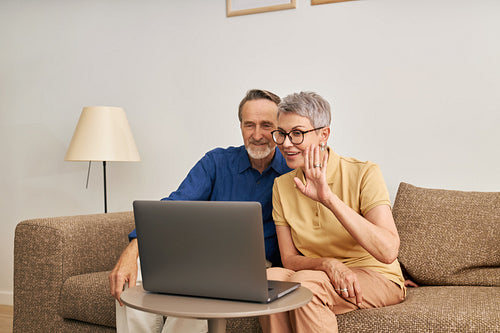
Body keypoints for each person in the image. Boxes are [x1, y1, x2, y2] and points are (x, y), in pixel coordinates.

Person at [109, 89, 292, 333]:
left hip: (252, 266)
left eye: (266, 125)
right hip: (196, 256)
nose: (257, 134)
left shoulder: (292, 171)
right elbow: (174, 206)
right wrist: (133, 248)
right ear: (240, 127)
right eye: (249, 125)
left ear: (279, 129)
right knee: (131, 281)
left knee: (199, 296)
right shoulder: (216, 162)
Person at [259, 92, 406, 333]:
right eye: (282, 133)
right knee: (268, 281)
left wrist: (328, 198)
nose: (286, 143)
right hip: (316, 273)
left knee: (305, 286)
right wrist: (329, 264)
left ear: (323, 135)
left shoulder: (364, 173)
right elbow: (289, 259)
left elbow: (388, 251)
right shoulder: (282, 186)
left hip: (376, 275)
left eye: (297, 133)